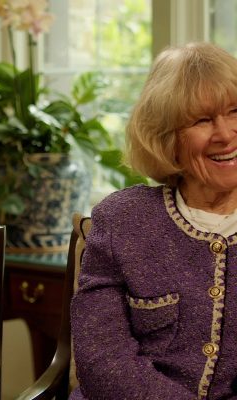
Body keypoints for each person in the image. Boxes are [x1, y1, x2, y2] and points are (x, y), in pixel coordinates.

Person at [70, 41, 237, 400]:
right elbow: (103, 364)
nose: (224, 134)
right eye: (203, 120)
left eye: (236, 111)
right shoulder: (121, 220)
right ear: (167, 138)